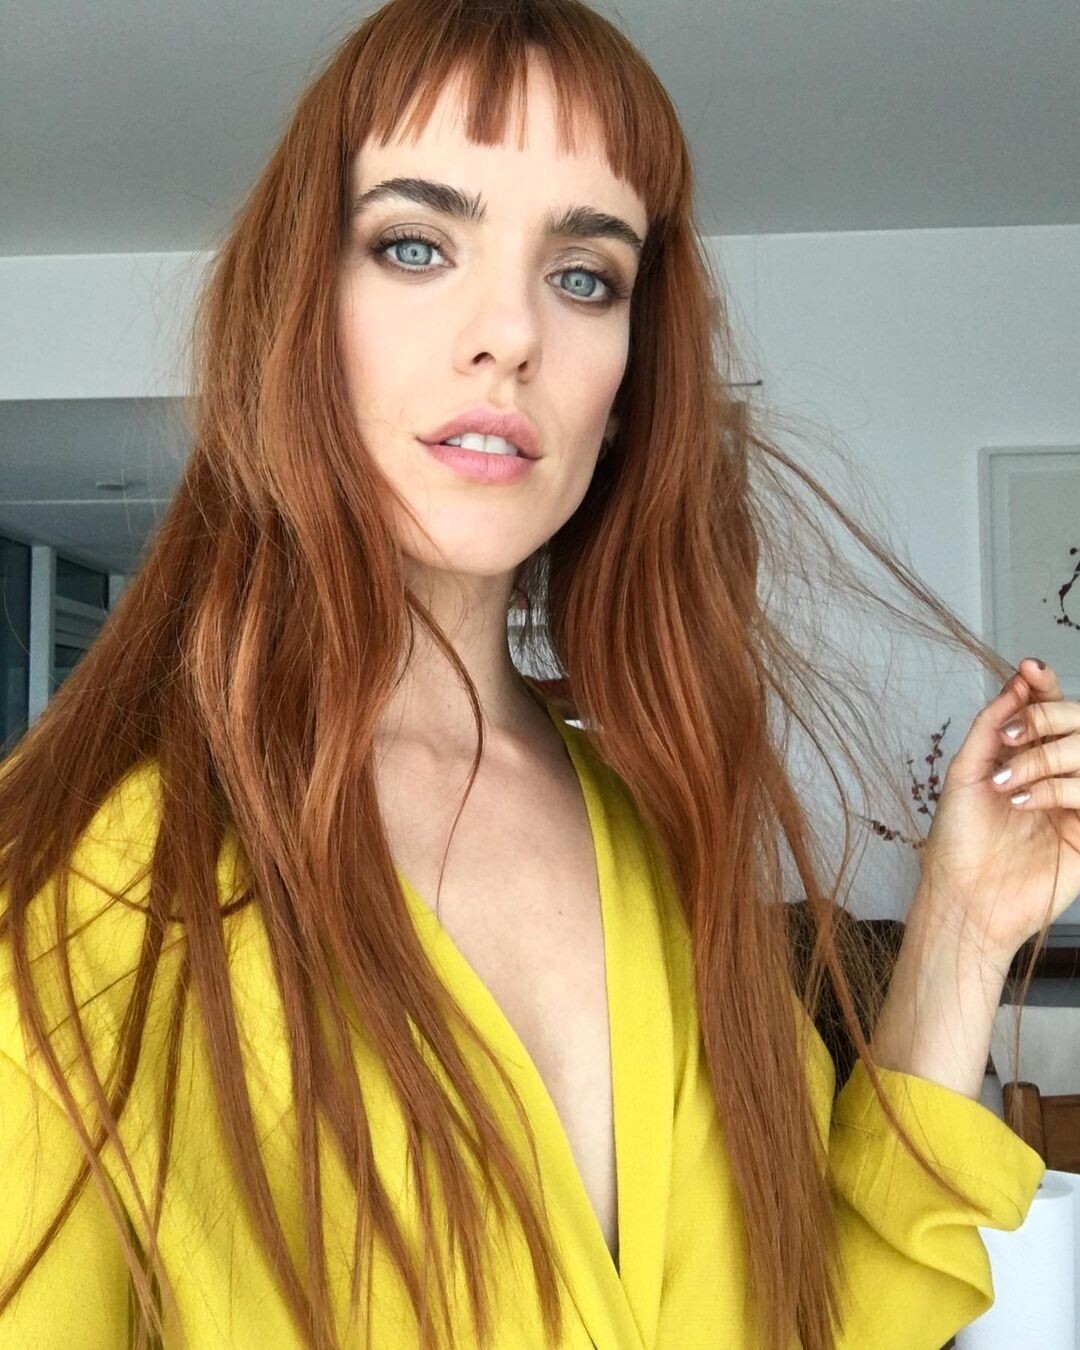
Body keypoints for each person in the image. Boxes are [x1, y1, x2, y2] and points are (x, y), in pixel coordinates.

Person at [2, 2, 1077, 1347]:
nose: (510, 332)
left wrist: (966, 926)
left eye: (584, 275)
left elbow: (818, 1316)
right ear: (296, 309)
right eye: (414, 244)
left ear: (628, 380)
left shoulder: (660, 834)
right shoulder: (75, 884)